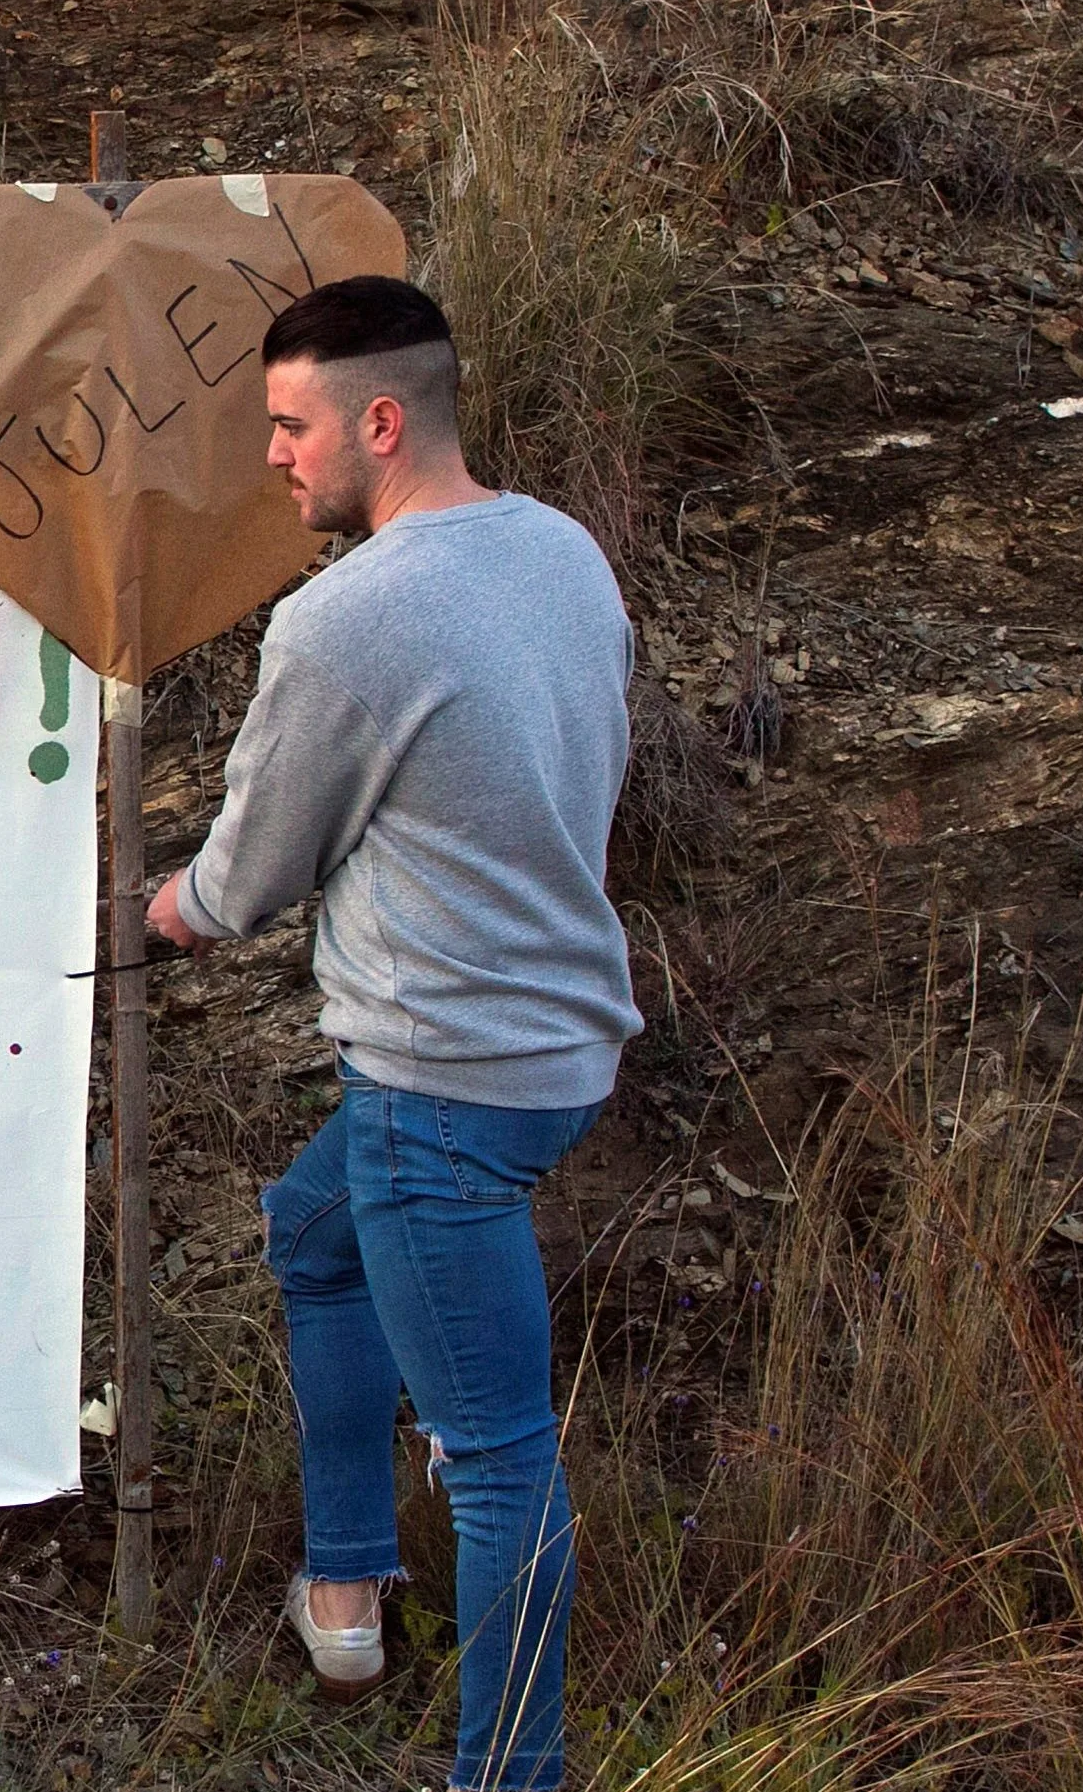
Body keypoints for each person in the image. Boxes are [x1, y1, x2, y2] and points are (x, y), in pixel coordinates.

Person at [146, 277, 640, 1792]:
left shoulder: (342, 621)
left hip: (441, 1082)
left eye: (290, 428)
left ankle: (509, 1770)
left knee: (496, 1461)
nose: (274, 461)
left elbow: (245, 879)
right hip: (560, 1043)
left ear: (378, 419)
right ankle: (345, 1583)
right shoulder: (558, 551)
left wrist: (159, 909)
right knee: (309, 1231)